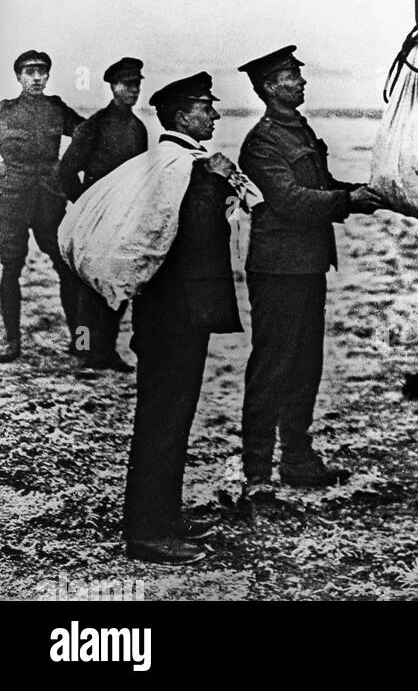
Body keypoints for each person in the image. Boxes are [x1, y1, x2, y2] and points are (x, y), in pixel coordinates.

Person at [237, 46, 385, 497]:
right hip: (278, 268)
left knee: (305, 365)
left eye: (299, 75)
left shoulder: (298, 128)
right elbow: (290, 199)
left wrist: (366, 192)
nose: (302, 82)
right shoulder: (262, 141)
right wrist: (347, 201)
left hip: (306, 266)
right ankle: (258, 472)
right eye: (291, 76)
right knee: (272, 367)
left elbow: (319, 187)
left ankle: (297, 458)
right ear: (268, 87)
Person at [122, 73, 241, 566]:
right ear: (181, 115)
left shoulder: (168, 161)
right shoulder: (184, 166)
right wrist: (215, 182)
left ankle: (163, 515)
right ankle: (147, 532)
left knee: (172, 416)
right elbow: (195, 235)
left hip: (166, 314)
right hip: (173, 317)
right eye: (204, 108)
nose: (213, 115)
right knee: (163, 420)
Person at [58, 56, 147, 372]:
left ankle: (106, 352)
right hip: (96, 219)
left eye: (136, 85)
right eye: (126, 85)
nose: (132, 91)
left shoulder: (138, 128)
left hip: (125, 217)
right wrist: (85, 205)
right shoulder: (93, 126)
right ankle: (84, 349)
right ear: (112, 87)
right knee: (89, 289)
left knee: (117, 285)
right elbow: (66, 170)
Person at [0, 51, 84, 362]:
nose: (36, 77)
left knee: (67, 267)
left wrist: (71, 171)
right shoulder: (4, 113)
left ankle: (81, 341)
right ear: (19, 77)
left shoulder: (56, 110)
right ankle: (11, 343)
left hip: (50, 199)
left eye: (41, 71)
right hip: (12, 201)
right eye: (29, 71)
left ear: (48, 76)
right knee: (11, 268)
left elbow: (86, 134)